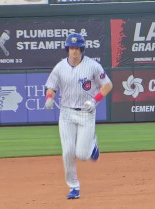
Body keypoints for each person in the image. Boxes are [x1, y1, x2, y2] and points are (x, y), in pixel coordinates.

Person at [44, 33, 113, 199]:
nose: (74, 51)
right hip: (66, 113)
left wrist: (95, 100)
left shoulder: (93, 66)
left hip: (86, 112)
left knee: (82, 155)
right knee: (68, 152)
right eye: (71, 47)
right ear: (67, 49)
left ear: (82, 49)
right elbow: (51, 86)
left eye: (77, 48)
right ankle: (74, 187)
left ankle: (92, 144)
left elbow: (107, 85)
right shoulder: (60, 67)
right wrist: (49, 97)